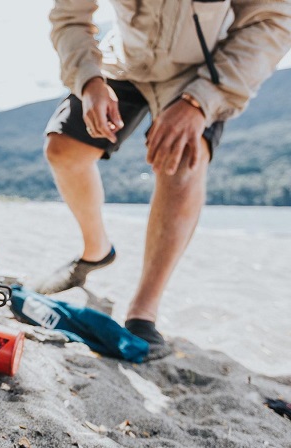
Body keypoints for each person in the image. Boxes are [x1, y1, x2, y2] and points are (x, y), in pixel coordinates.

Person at [34, 0, 291, 359]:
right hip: (126, 61)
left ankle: (143, 310)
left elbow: (271, 22)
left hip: (201, 72)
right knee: (63, 149)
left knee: (182, 162)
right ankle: (96, 252)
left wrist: (201, 101)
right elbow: (70, 14)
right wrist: (89, 78)